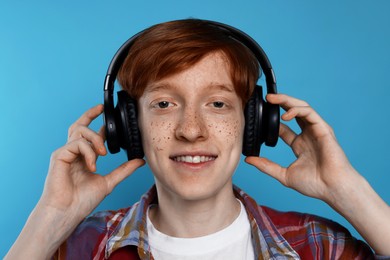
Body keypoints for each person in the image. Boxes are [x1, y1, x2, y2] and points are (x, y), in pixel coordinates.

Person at [5, 19, 390, 260]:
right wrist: (51, 218)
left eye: (218, 103)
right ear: (128, 125)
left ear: (254, 120)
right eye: (164, 103)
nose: (192, 130)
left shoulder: (314, 244)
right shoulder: (80, 248)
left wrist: (348, 191)